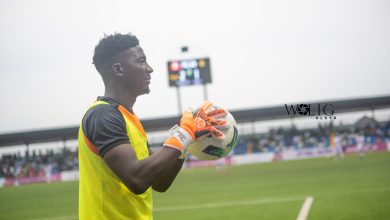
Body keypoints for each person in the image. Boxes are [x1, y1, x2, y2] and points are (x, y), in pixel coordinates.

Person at [78, 33, 226, 220]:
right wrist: (184, 133)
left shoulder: (128, 118)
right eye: (141, 61)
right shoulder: (102, 115)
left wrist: (186, 142)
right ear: (119, 69)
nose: (150, 69)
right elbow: (137, 179)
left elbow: (159, 182)